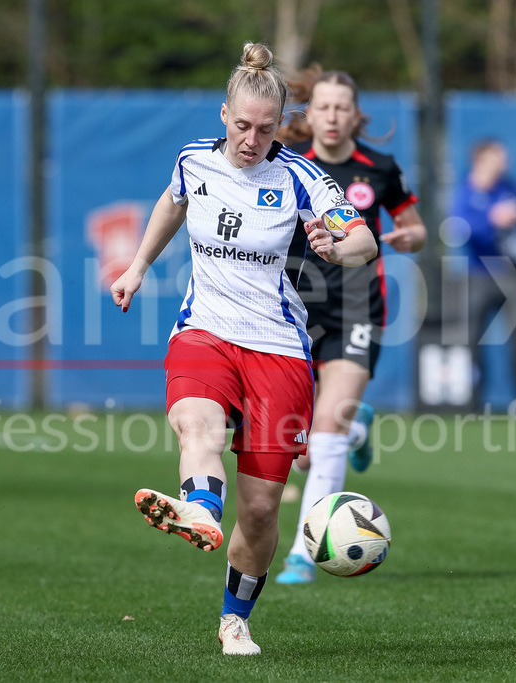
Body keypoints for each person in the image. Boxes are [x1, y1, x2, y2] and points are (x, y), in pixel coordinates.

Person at [110, 43, 377, 655]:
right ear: (223, 114)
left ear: (281, 124)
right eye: (242, 125)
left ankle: (235, 619)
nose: (251, 139)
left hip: (278, 348)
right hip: (204, 329)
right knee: (195, 423)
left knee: (259, 509)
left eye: (265, 128)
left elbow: (362, 240)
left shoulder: (301, 177)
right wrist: (139, 264)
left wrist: (338, 249)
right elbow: (172, 202)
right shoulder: (194, 161)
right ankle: (200, 507)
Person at [272, 66, 427, 585]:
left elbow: (415, 228)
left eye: (343, 107)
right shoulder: (290, 168)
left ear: (356, 115)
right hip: (297, 312)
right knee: (304, 452)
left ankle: (302, 552)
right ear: (309, 113)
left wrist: (409, 237)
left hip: (359, 307)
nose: (333, 116)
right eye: (323, 106)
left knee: (327, 432)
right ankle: (359, 427)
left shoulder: (379, 168)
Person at [448, 139, 516, 423]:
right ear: (481, 159)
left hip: (511, 275)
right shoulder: (464, 191)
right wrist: (491, 220)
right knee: (471, 341)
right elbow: (459, 229)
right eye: (499, 155)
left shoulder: (509, 186)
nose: (505, 160)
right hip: (477, 276)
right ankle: (473, 404)